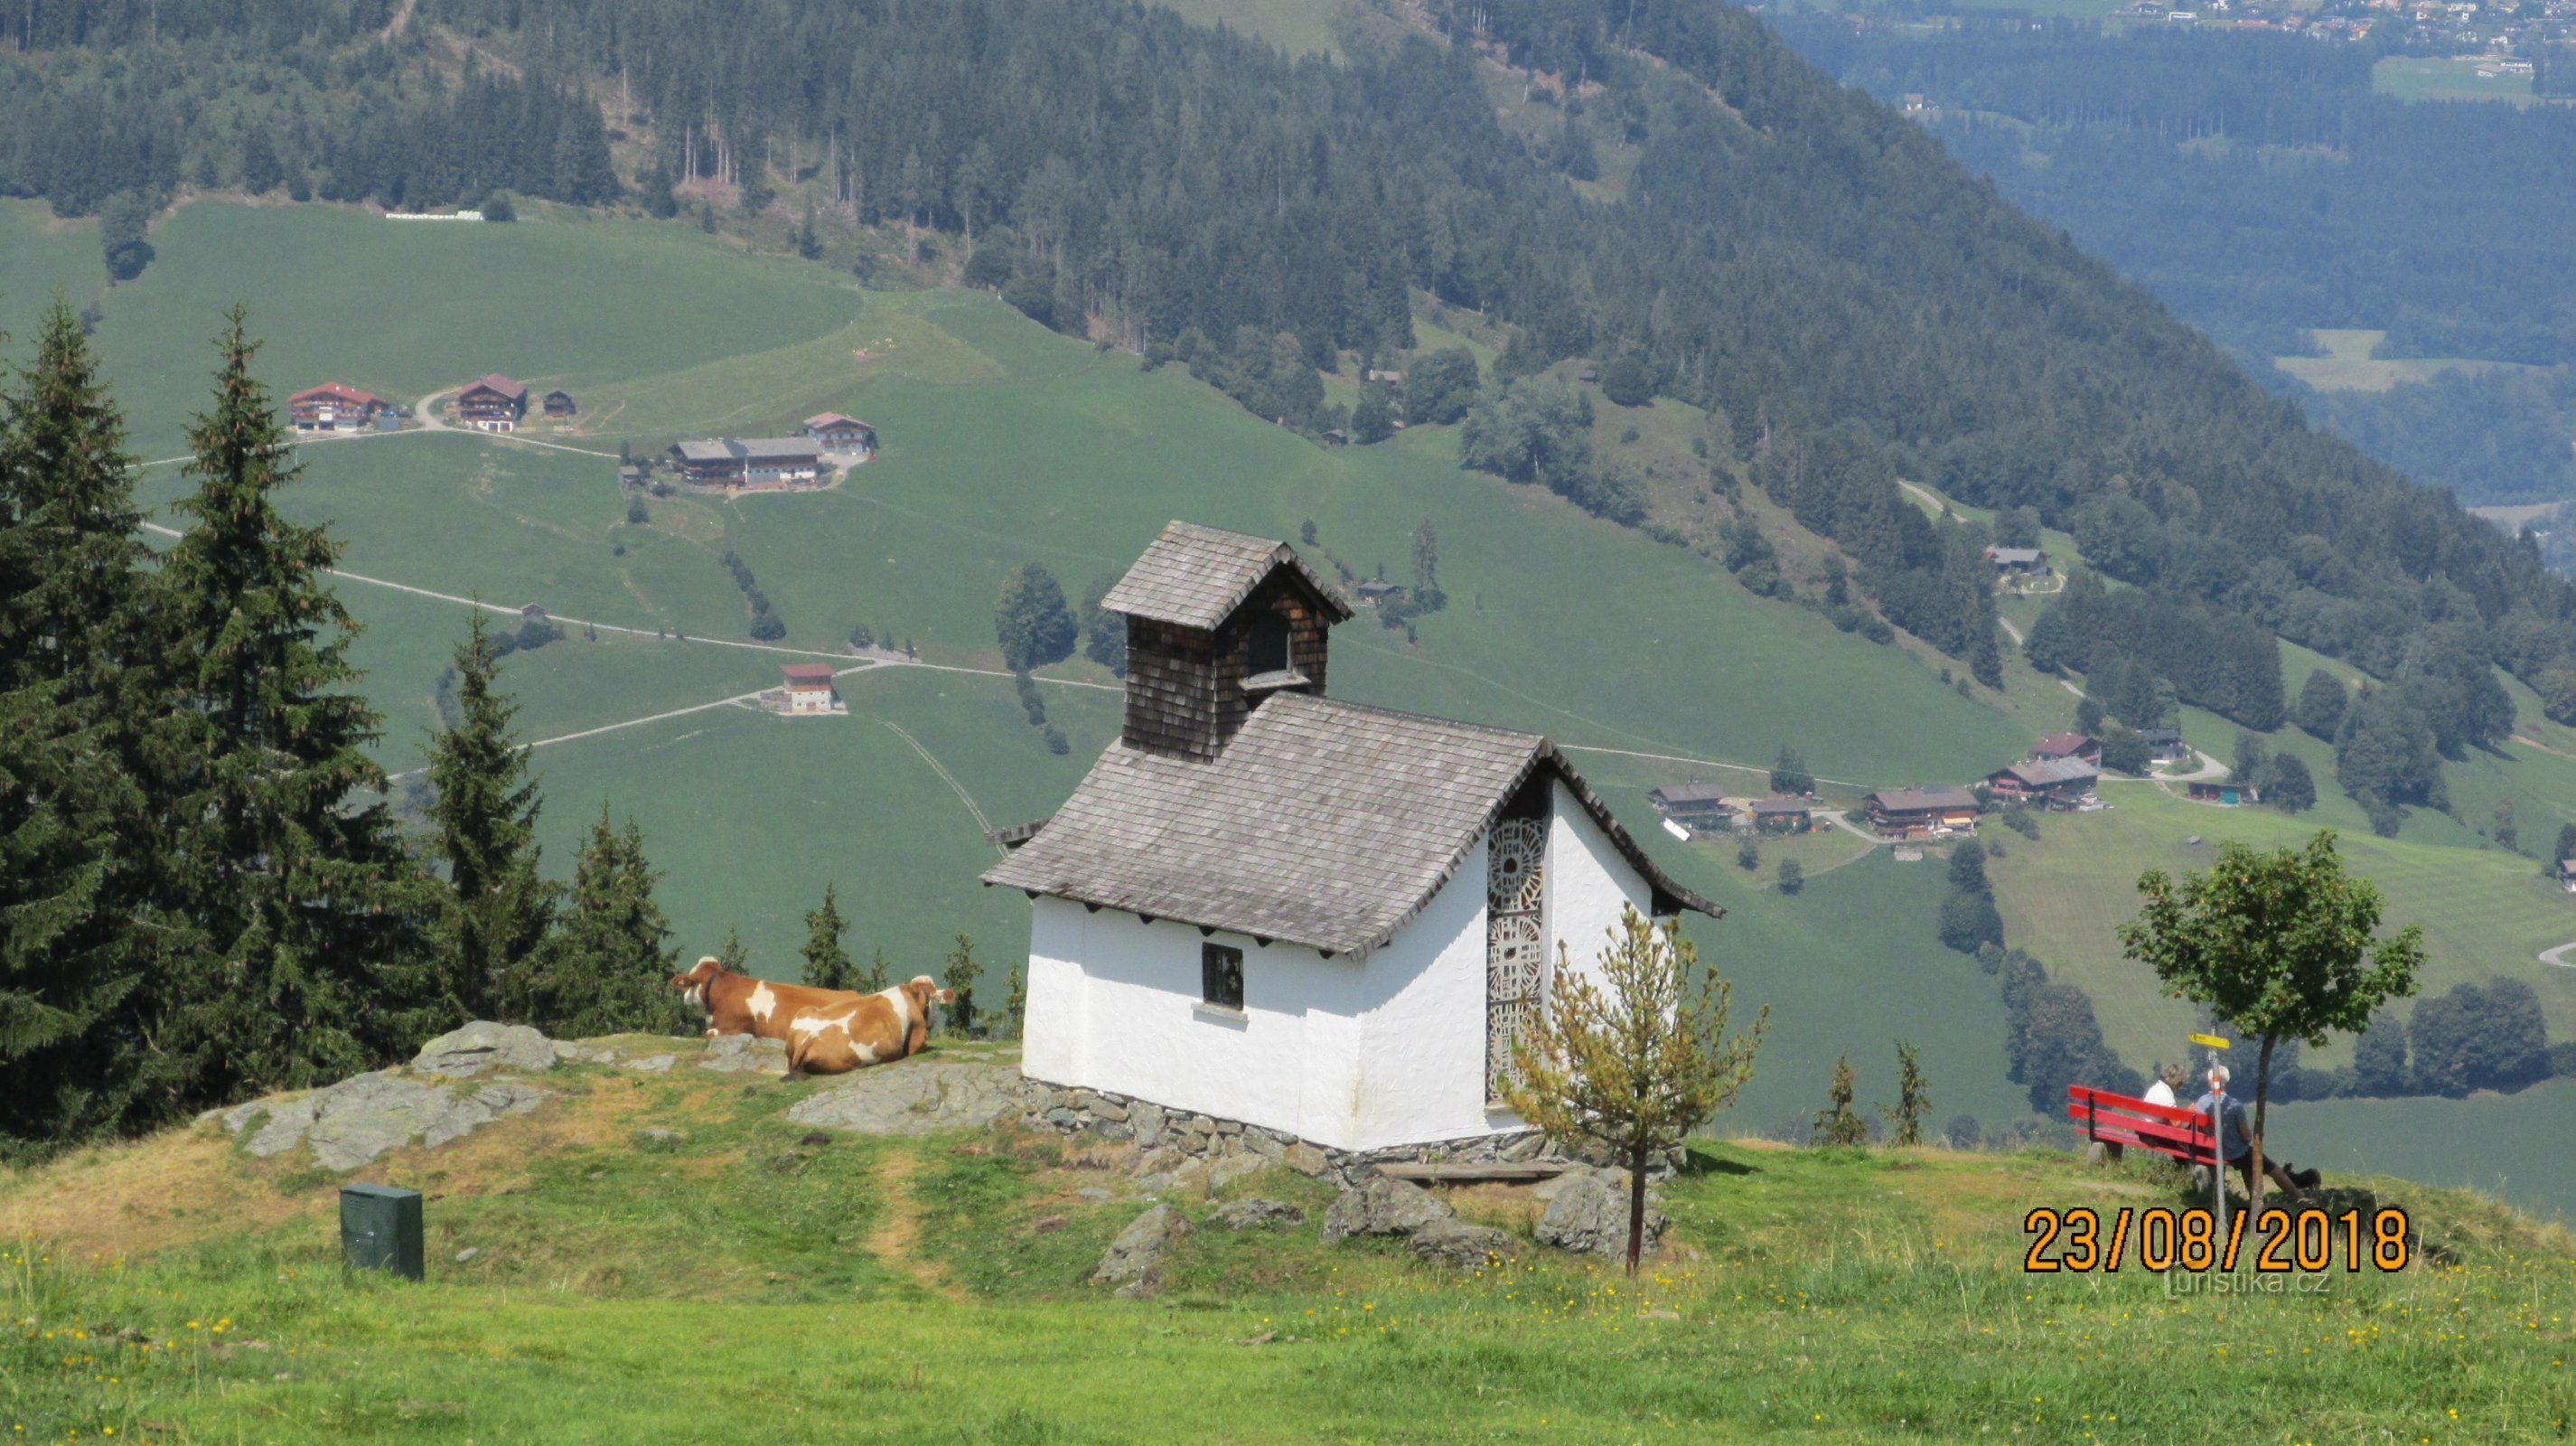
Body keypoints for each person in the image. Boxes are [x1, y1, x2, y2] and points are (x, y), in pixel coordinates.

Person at [2193, 1066, 2318, 1204]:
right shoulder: (2234, 1106)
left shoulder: (2201, 1102)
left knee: (2248, 1163)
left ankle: (2256, 1199)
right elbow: (2246, 1138)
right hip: (2234, 1153)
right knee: (2272, 1168)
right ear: (2226, 1082)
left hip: (2213, 1151)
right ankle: (2300, 1196)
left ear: (2209, 1082)